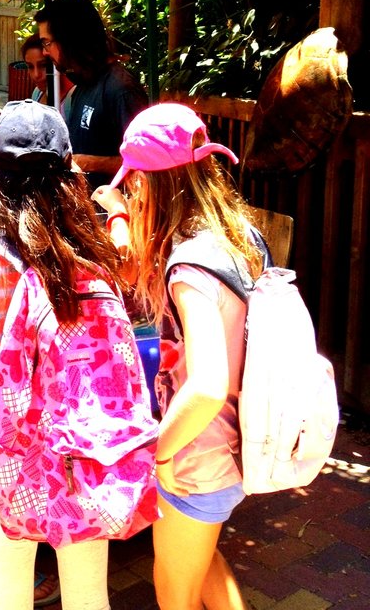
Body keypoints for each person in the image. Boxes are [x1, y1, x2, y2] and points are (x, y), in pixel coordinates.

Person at [0, 100, 136, 610]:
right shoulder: (91, 259)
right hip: (82, 457)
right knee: (89, 598)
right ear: (69, 174)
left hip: (6, 466)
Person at [95, 102, 262, 610]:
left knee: (174, 590)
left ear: (148, 184)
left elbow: (207, 385)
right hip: (234, 443)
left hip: (197, 455)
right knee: (203, 560)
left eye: (134, 186)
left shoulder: (190, 266)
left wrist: (161, 453)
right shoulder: (235, 233)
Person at [35, 0, 147, 191]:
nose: (44, 52)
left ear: (69, 39)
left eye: (47, 43)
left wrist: (90, 162)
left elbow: (145, 162)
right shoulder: (83, 84)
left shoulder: (121, 90)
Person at [20, 34, 74, 117]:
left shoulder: (74, 99)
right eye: (30, 66)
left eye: (43, 65)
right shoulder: (37, 93)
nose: (36, 75)